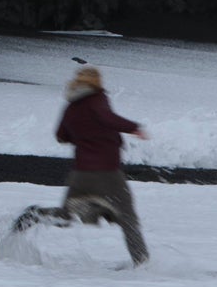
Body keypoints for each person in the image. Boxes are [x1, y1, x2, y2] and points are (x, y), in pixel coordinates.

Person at [13, 66, 150, 266]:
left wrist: (83, 134)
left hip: (81, 175)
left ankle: (35, 215)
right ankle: (143, 263)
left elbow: (61, 135)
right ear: (96, 83)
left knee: (66, 216)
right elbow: (107, 118)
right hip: (107, 173)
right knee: (127, 217)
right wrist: (134, 128)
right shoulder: (97, 99)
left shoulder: (71, 106)